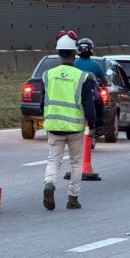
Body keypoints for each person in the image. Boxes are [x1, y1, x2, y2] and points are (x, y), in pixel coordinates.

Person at [42, 33, 97, 211]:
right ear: (75, 54)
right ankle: (73, 198)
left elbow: (44, 102)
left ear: (59, 53)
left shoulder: (48, 75)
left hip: (54, 126)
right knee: (76, 162)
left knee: (53, 160)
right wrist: (94, 123)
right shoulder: (82, 77)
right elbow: (88, 104)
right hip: (75, 127)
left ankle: (49, 183)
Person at [74, 37, 106, 138]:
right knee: (100, 105)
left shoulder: (74, 64)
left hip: (75, 95)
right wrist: (104, 84)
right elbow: (104, 80)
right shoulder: (96, 65)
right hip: (92, 96)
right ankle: (99, 126)